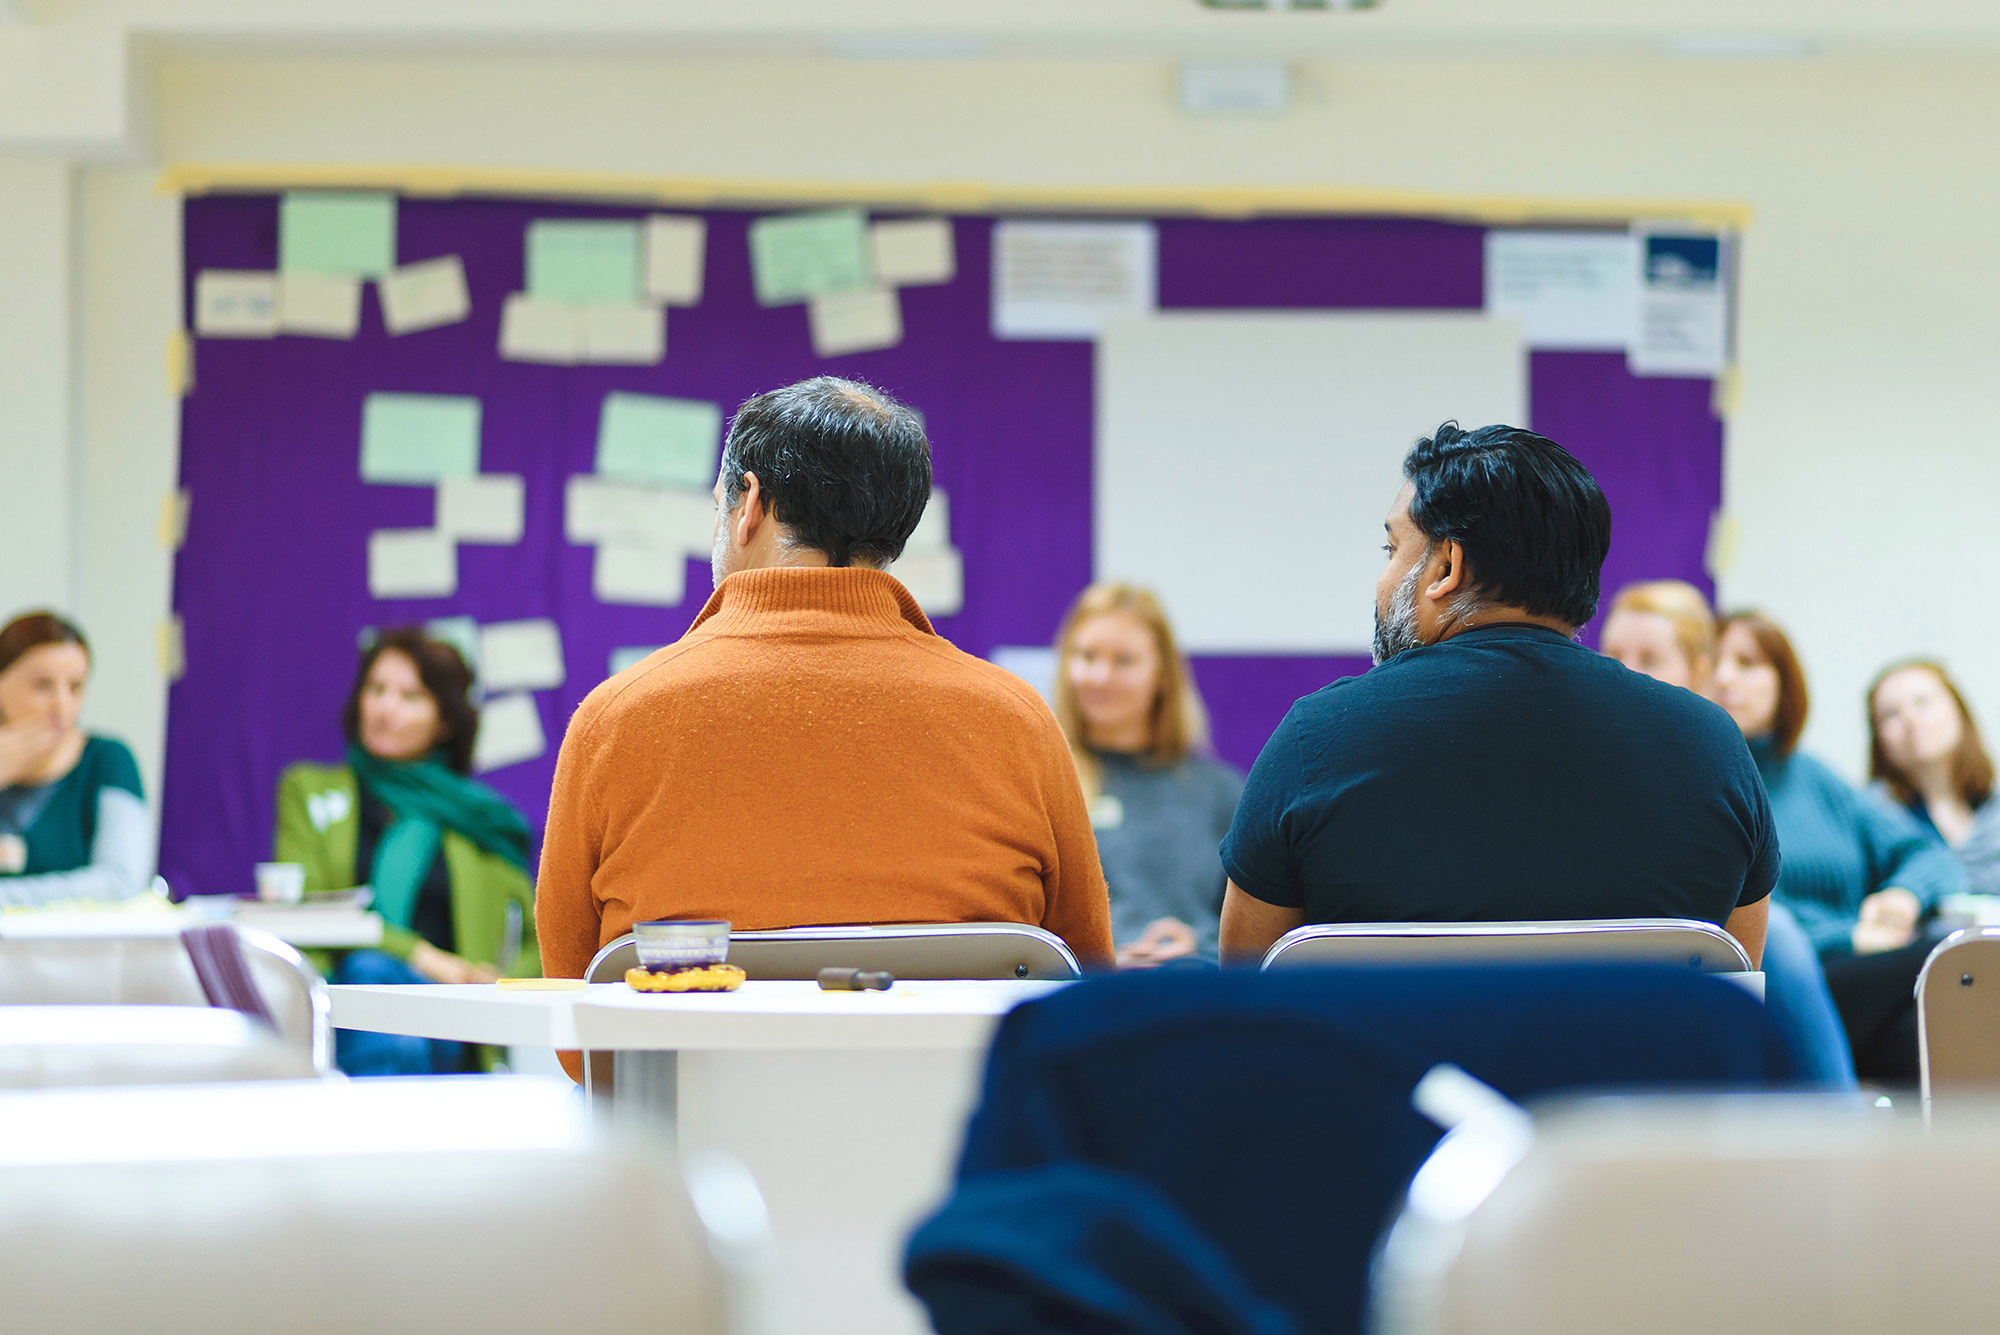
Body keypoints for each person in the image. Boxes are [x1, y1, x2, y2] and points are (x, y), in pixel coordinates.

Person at [537, 378, 1115, 1047]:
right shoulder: (1017, 722)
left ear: (749, 503)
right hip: (959, 1143)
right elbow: (1087, 991)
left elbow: (576, 1031)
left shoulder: (615, 720)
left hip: (685, 1137)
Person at [1218, 423, 1776, 971]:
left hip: (1389, 1065)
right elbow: (1736, 987)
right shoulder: (1712, 747)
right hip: (1633, 1065)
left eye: (1392, 549)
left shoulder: (1317, 738)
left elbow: (1246, 992)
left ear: (1446, 568)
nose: (1385, 576)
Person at [1603, 581, 1855, 1087]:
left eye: (1650, 656)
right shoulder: (1593, 753)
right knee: (1779, 935)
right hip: (1632, 948)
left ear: (1700, 673)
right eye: (1612, 655)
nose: (1626, 671)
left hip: (1716, 949)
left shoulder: (1720, 758)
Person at [274, 628, 537, 1076]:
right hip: (341, 1010)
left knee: (407, 1038)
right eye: (376, 689)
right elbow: (303, 910)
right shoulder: (310, 790)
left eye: (410, 697)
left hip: (454, 1018)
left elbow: (541, 939)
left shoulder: (480, 821)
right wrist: (421, 955)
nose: (384, 708)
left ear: (445, 722)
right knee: (371, 972)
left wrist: (504, 981)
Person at [1711, 612, 1961, 1082]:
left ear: (1783, 682)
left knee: (1928, 1041)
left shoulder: (1816, 777)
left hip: (1871, 980)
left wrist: (1902, 896)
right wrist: (1849, 937)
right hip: (1795, 981)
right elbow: (1741, 917)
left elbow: (1928, 853)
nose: (1726, 678)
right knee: (1953, 959)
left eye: (1747, 663)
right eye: (1715, 662)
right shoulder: (1712, 782)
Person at [1053, 583, 1243, 967]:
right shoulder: (1046, 787)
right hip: (1085, 996)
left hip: (1191, 992)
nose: (1100, 676)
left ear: (1161, 675)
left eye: (1124, 660)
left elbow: (1256, 927)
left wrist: (1201, 944)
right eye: (1086, 656)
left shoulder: (1219, 793)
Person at [0, 612, 151, 906]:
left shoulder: (108, 761)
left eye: (75, 687)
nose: (62, 706)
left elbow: (121, 881)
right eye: (43, 685)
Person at [1869, 660, 2000, 896]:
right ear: (1879, 740)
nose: (1910, 718)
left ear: (1959, 711)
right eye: (1890, 714)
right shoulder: (1871, 817)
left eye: (1922, 702)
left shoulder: (1994, 806)